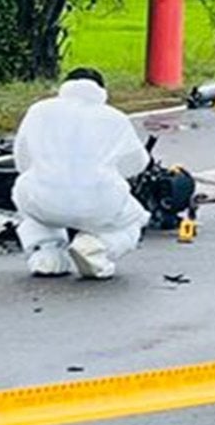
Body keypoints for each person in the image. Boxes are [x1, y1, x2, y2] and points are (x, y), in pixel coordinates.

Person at [11, 68, 150, 279]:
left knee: (29, 201)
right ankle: (96, 249)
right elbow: (136, 163)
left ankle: (47, 254)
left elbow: (22, 158)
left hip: (43, 199)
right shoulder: (115, 118)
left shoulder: (38, 111)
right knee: (135, 219)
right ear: (101, 91)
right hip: (100, 202)